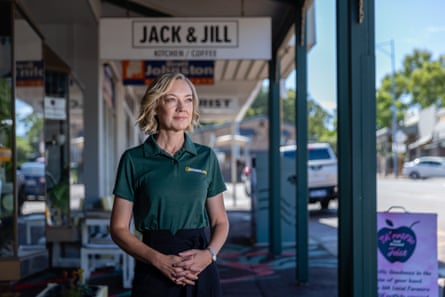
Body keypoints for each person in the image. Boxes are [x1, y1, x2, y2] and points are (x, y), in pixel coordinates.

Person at [110, 72, 229, 297]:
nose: (182, 107)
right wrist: (159, 260)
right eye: (171, 99)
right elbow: (118, 229)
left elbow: (220, 221)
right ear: (155, 106)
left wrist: (209, 255)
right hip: (153, 265)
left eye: (188, 100)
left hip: (200, 266)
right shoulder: (134, 159)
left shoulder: (206, 157)